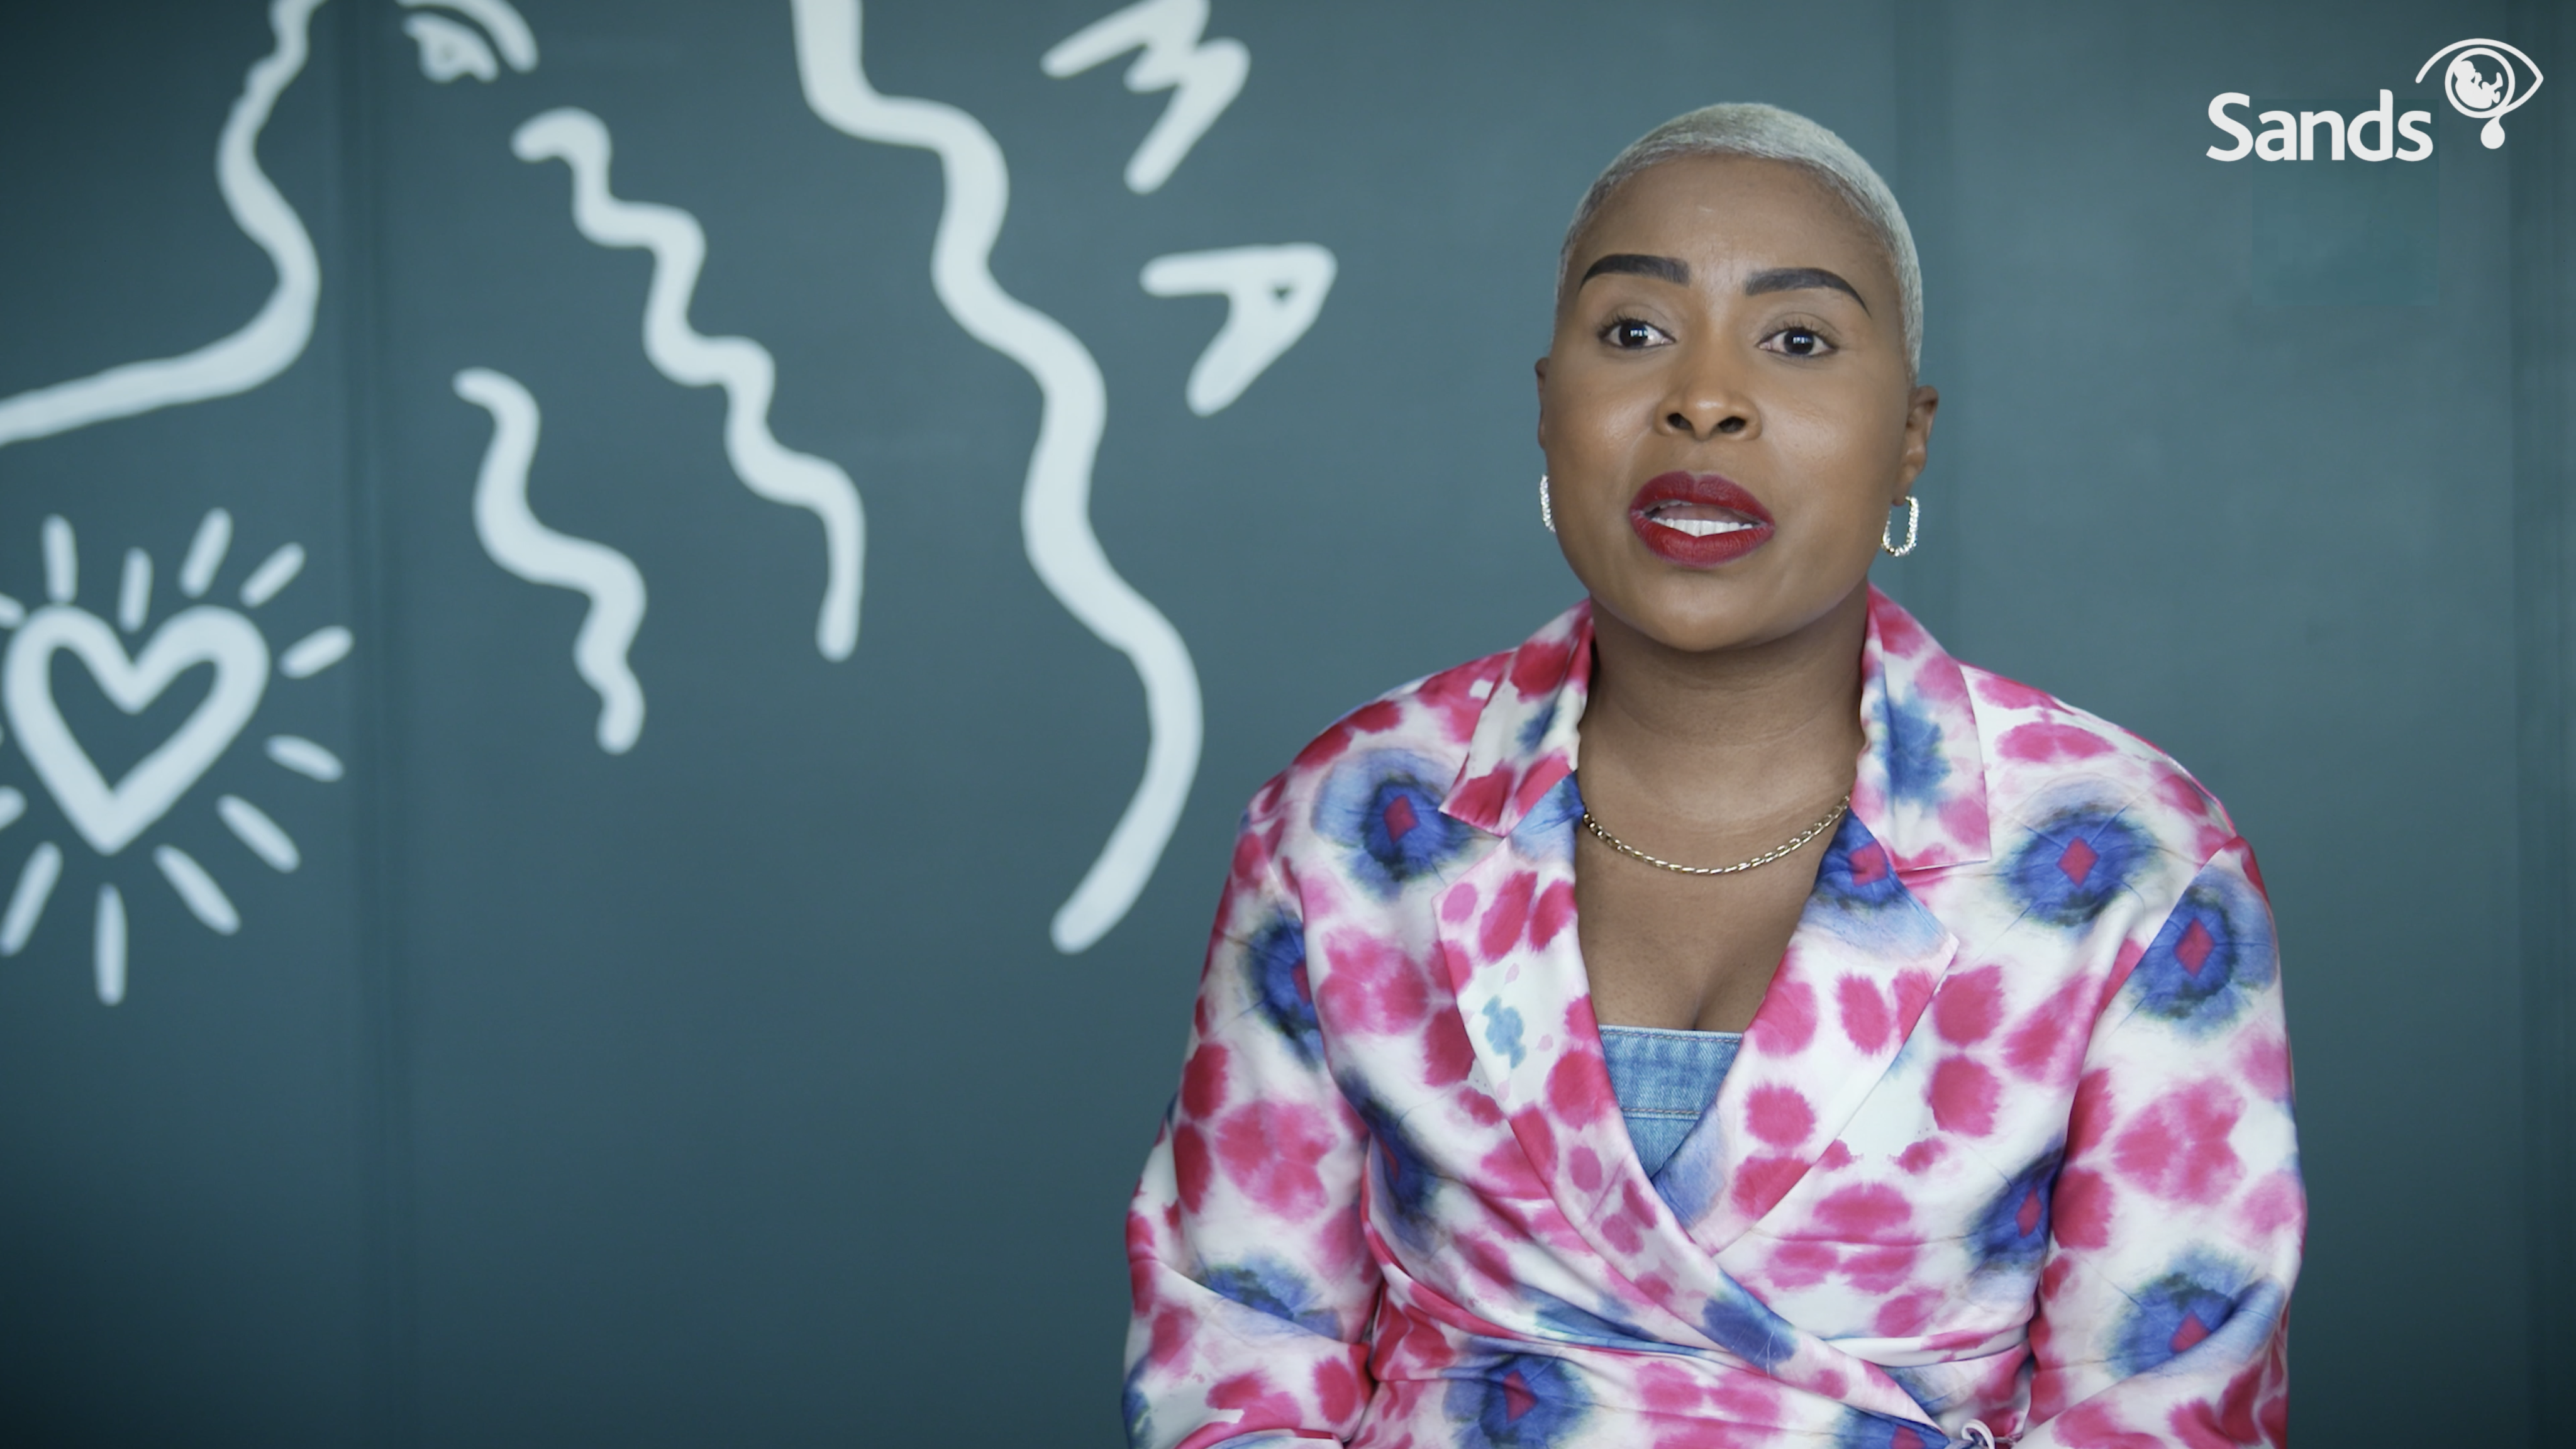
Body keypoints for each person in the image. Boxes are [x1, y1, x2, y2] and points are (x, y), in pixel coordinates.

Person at [1122, 103, 2299, 1449]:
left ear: (1909, 438)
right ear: (1547, 407)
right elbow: (1236, 1343)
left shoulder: (2124, 858)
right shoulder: (1351, 819)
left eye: (1797, 340)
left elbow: (2161, 1407)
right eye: (1633, 332)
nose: (1703, 397)